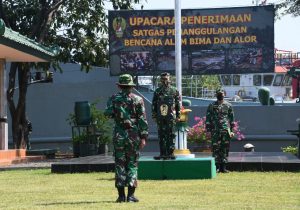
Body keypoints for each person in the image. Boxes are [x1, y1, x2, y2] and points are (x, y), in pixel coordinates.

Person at [105, 74, 148, 203]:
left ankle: (121, 196)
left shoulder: (113, 99)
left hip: (119, 135)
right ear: (131, 86)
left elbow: (107, 114)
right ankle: (130, 196)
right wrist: (143, 137)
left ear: (119, 86)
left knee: (120, 164)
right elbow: (142, 120)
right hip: (133, 136)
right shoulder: (138, 100)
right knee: (132, 164)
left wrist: (118, 113)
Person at [152, 72, 181, 159]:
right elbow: (154, 104)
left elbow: (177, 104)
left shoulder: (174, 90)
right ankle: (162, 153)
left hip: (171, 117)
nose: (164, 81)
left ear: (169, 79)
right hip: (161, 117)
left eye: (166, 79)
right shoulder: (157, 91)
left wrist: (178, 115)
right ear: (160, 80)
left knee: (171, 134)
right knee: (161, 135)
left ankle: (170, 153)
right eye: (163, 79)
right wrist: (154, 116)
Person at [205, 89, 235, 173]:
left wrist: (232, 131)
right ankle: (217, 167)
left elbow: (231, 119)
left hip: (225, 130)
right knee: (216, 148)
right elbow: (208, 118)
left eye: (222, 94)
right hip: (215, 130)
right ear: (216, 95)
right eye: (219, 94)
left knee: (224, 148)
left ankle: (224, 167)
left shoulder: (228, 105)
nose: (220, 95)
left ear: (224, 95)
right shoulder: (211, 105)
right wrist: (208, 130)